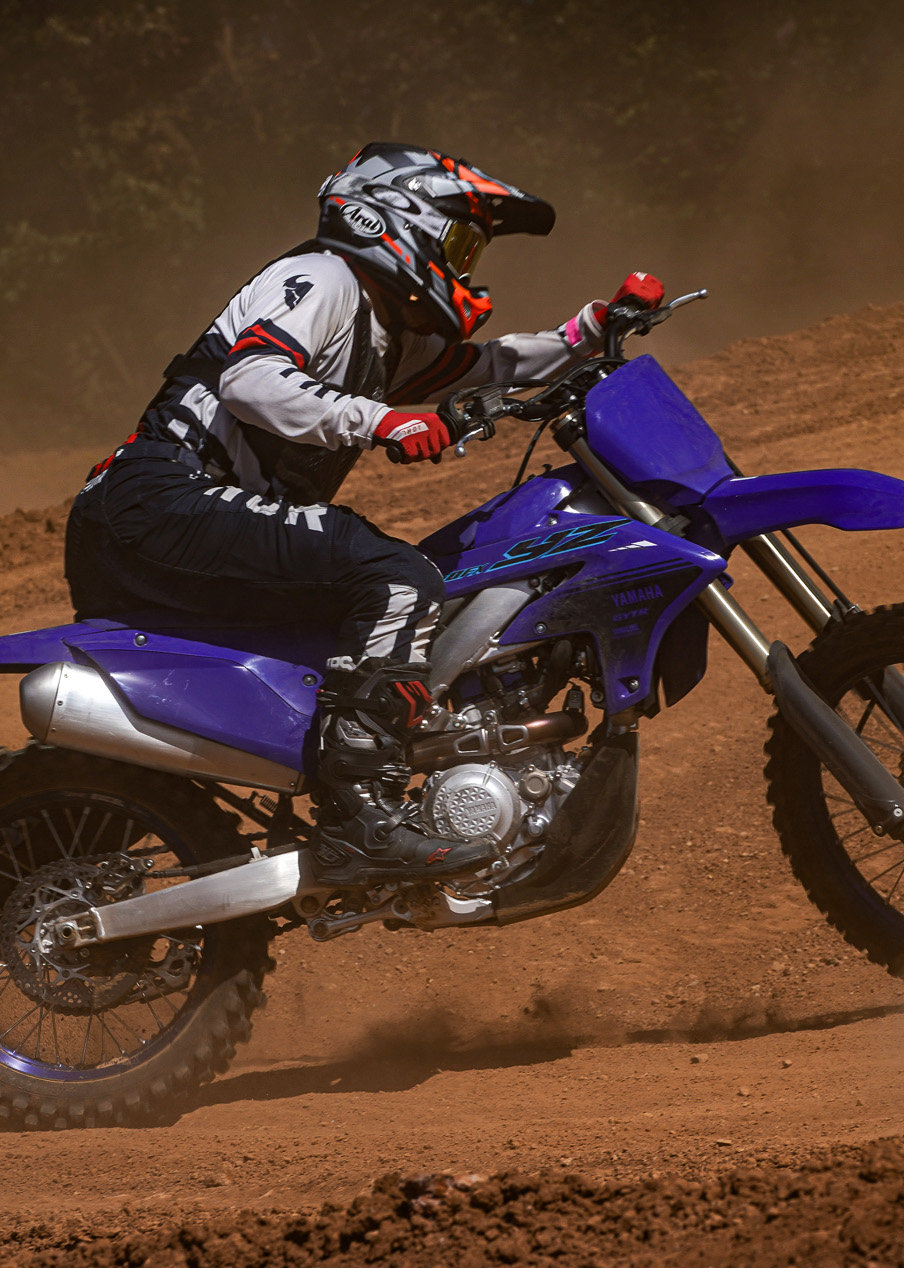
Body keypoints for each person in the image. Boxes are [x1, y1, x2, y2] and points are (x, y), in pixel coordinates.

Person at [64, 142, 662, 887]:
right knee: (396, 578)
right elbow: (251, 380)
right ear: (394, 218)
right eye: (459, 242)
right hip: (156, 500)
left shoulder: (385, 332)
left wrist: (587, 332)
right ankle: (358, 819)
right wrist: (382, 420)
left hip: (179, 519)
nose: (464, 265)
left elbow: (492, 366)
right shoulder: (324, 278)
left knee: (391, 592)